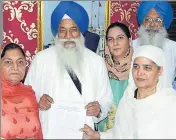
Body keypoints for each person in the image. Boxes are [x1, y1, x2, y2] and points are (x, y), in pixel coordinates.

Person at [25, 1, 113, 139]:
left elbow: (106, 101)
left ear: (81, 31)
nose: (68, 36)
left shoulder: (96, 62)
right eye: (62, 30)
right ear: (57, 33)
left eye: (73, 29)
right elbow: (26, 97)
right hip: (48, 134)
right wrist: (38, 103)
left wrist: (98, 109)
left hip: (84, 134)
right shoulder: (41, 60)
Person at [80, 45, 176, 139]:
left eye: (147, 68)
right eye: (136, 66)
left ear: (160, 71)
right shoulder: (129, 97)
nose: (139, 72)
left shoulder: (170, 103)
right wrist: (97, 136)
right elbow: (118, 134)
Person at [1, 43, 43, 139]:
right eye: (8, 62)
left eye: (20, 62)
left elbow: (38, 133)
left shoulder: (29, 93)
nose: (15, 68)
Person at [97, 22, 133, 132]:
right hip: (103, 133)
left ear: (130, 40)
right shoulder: (99, 68)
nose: (115, 43)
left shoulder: (139, 68)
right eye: (110, 39)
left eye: (120, 38)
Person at [133, 1, 176, 87]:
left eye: (158, 20)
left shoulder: (174, 48)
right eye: (148, 19)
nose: (152, 24)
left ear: (164, 24)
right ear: (142, 22)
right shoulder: (131, 46)